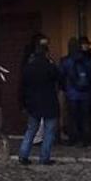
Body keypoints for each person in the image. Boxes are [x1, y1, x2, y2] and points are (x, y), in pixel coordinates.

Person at [19, 34, 61, 165]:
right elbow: (58, 77)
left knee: (31, 130)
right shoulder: (49, 66)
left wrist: (24, 103)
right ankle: (44, 158)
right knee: (49, 132)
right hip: (49, 102)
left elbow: (23, 85)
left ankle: (23, 154)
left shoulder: (28, 67)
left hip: (33, 103)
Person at [59, 37, 91, 147]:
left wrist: (65, 88)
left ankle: (73, 139)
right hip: (86, 94)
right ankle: (86, 140)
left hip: (72, 94)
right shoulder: (87, 60)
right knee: (85, 118)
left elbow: (60, 76)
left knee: (72, 117)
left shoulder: (66, 61)